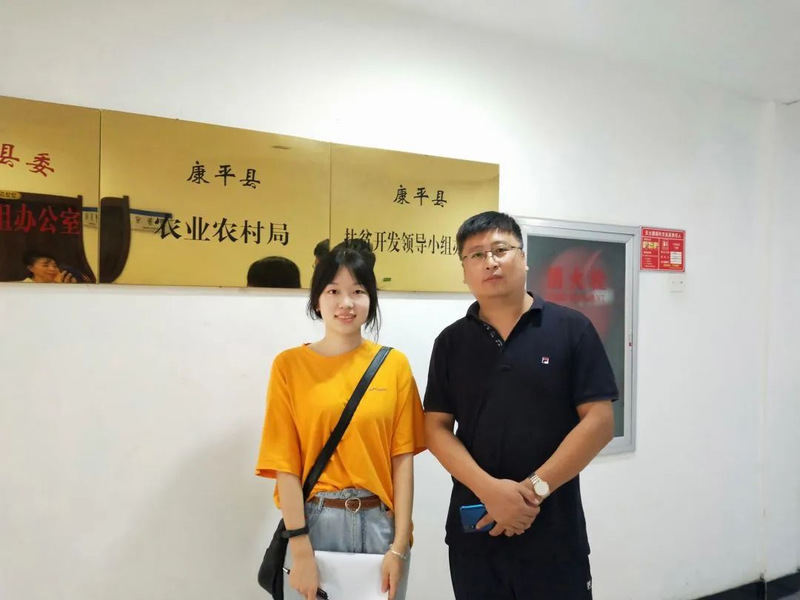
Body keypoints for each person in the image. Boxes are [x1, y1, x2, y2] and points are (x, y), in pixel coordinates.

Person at [423, 211, 618, 600]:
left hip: (554, 534)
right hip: (476, 534)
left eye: (501, 249)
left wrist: (532, 491)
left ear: (524, 258)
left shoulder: (571, 328)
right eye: (476, 254)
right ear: (464, 271)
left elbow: (599, 422)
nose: (490, 262)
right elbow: (435, 428)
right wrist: (491, 492)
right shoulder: (451, 342)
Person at [255, 240, 425, 600]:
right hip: (315, 523)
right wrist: (300, 547)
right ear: (317, 299)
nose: (346, 303)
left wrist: (399, 544)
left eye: (357, 291)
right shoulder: (289, 366)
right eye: (333, 291)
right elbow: (285, 464)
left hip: (380, 523)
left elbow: (403, 460)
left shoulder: (394, 365)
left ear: (371, 299)